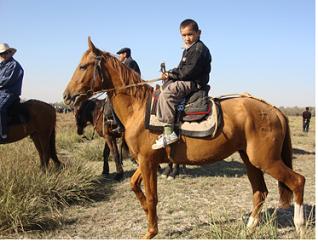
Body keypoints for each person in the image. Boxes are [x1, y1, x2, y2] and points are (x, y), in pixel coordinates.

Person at [152, 19, 212, 150]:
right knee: (164, 86)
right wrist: (169, 73)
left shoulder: (198, 49)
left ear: (199, 33)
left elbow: (187, 73)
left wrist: (170, 75)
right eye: (184, 35)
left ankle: (169, 132)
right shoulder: (188, 49)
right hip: (188, 79)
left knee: (167, 93)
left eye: (190, 34)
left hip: (194, 83)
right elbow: (180, 68)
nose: (187, 38)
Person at [111, 47, 141, 134]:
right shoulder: (128, 62)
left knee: (113, 102)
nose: (119, 56)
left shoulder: (129, 63)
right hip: (130, 89)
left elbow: (125, 79)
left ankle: (120, 125)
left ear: (125, 54)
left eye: (120, 54)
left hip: (133, 90)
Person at [0, 43, 24, 140]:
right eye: (1, 54)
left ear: (10, 52)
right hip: (1, 92)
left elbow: (5, 81)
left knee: (0, 108)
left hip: (10, 93)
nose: (3, 55)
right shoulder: (2, 65)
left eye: (5, 53)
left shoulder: (14, 65)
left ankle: (3, 134)